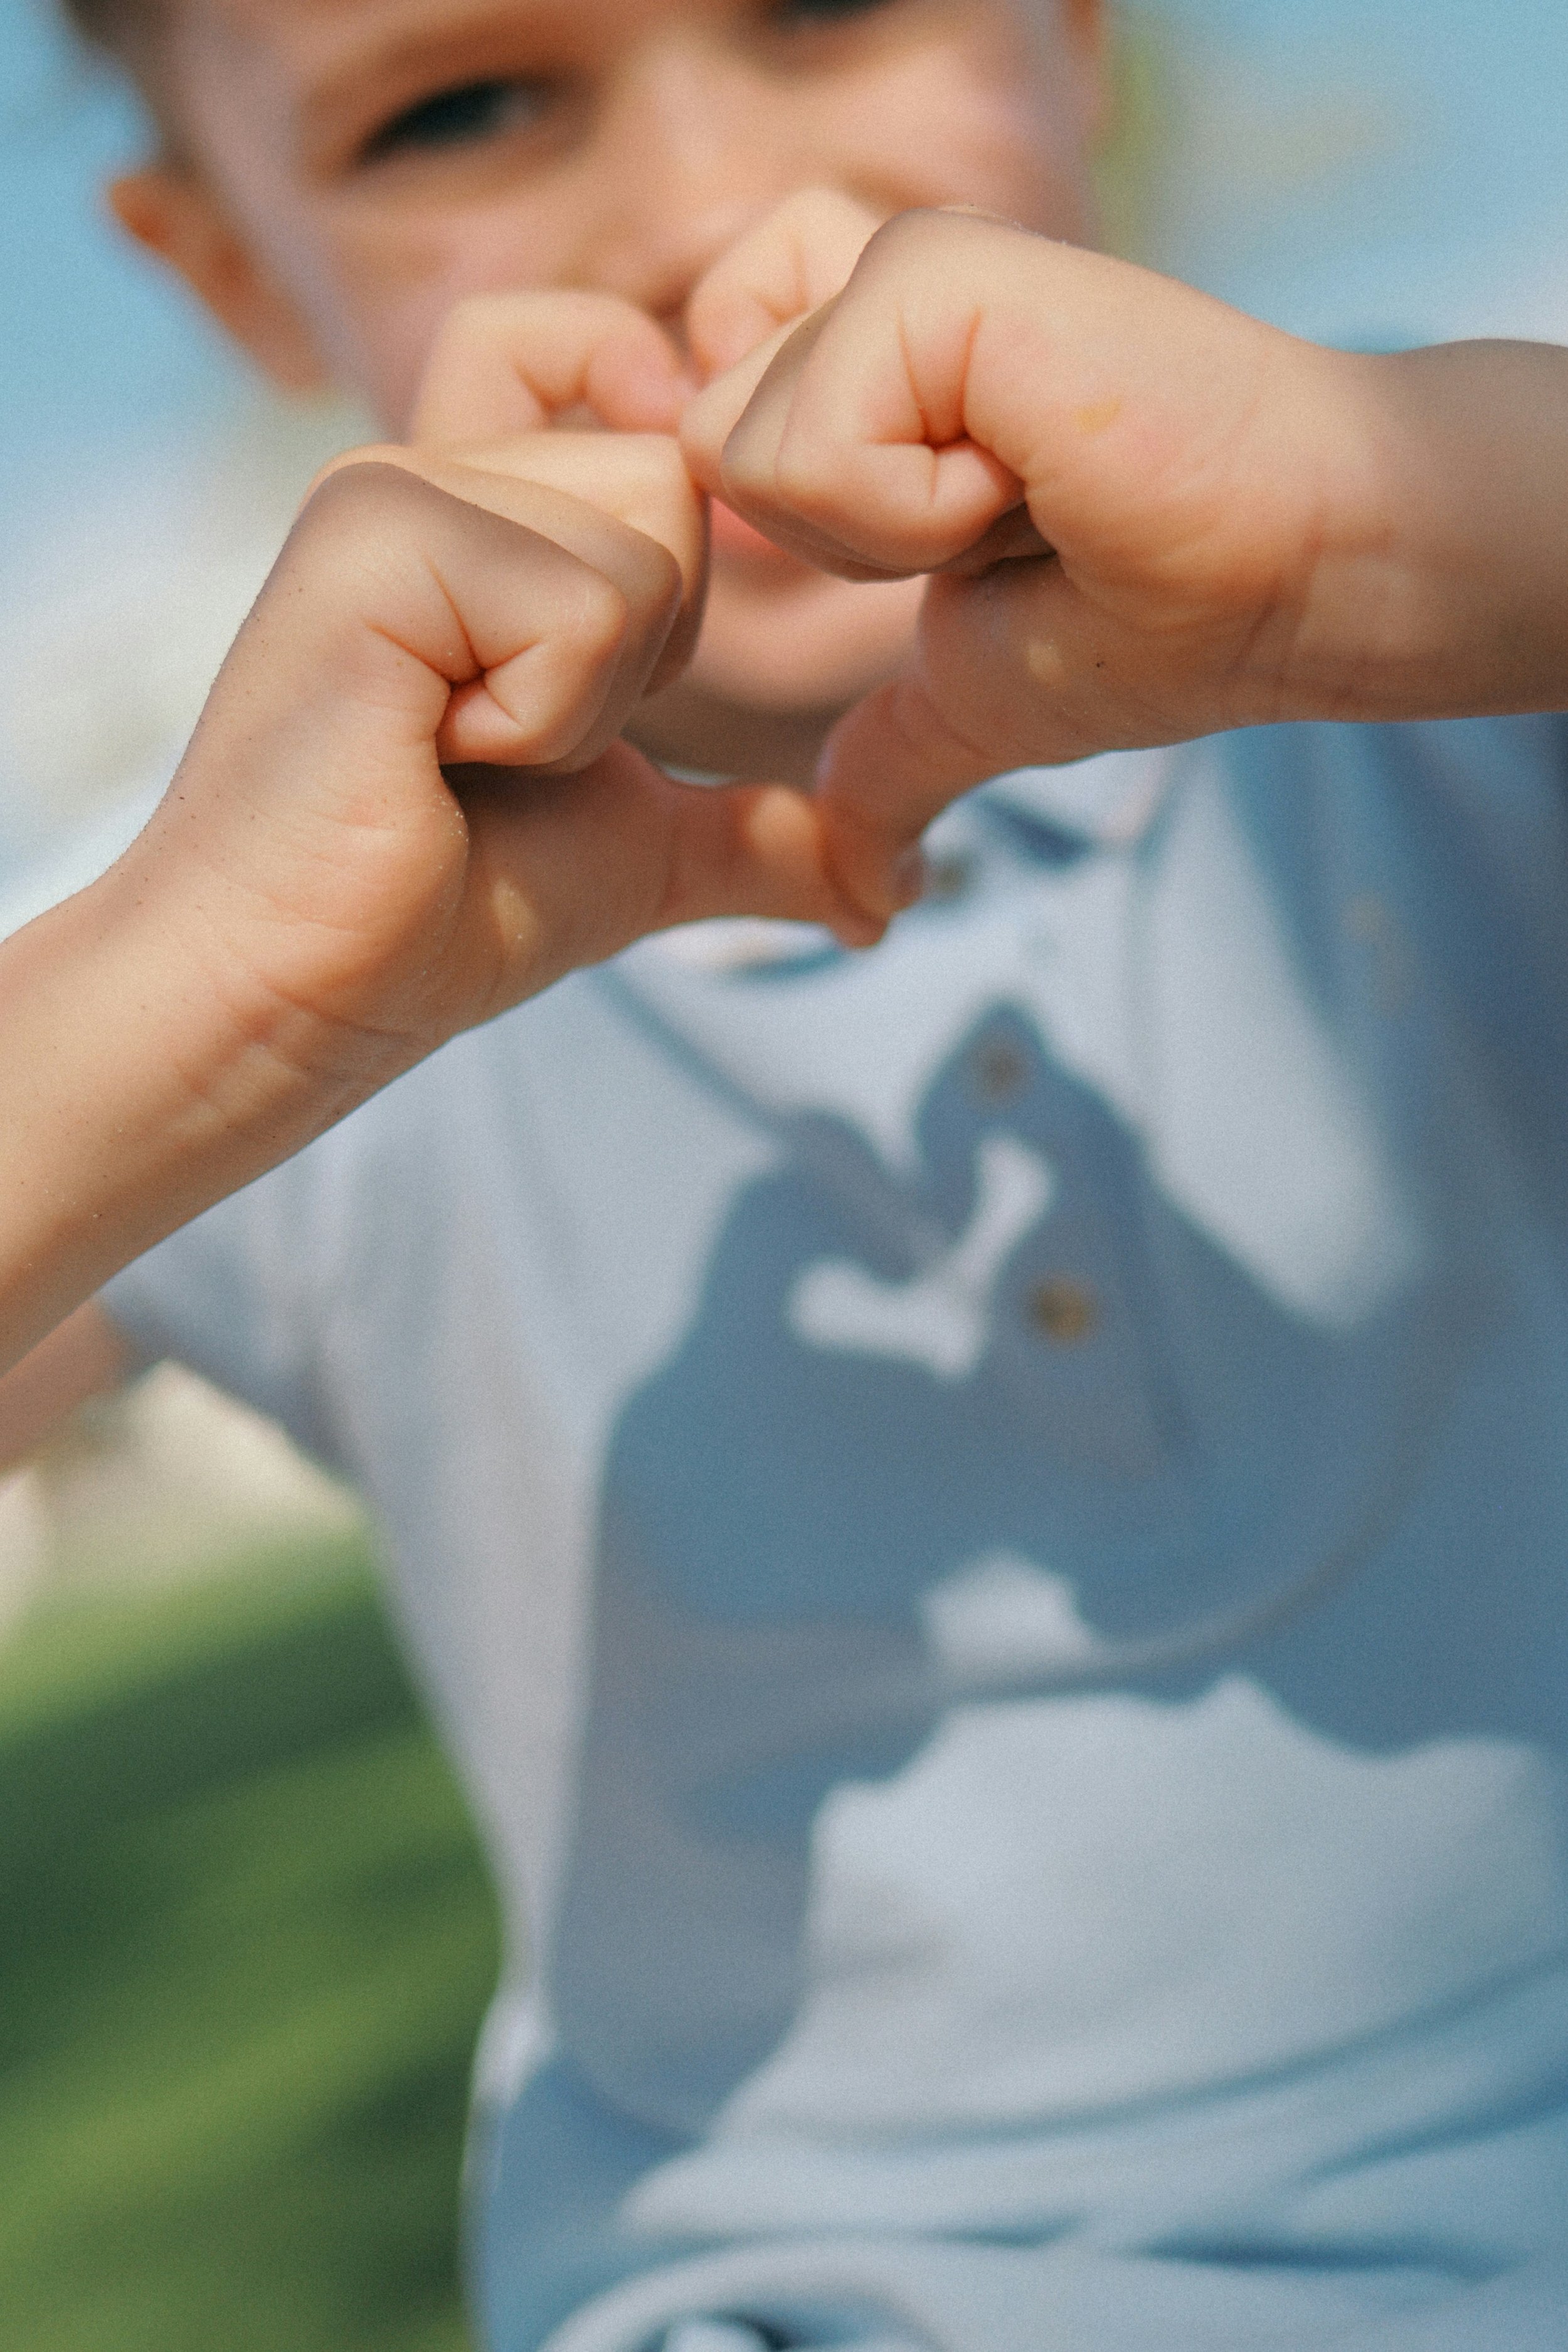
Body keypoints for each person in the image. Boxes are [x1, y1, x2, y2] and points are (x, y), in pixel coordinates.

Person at [5, 2, 1568, 2344]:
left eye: (826, 3)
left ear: (1075, 40)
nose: (704, 214)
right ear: (234, 274)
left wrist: (1406, 526)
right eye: (457, 107)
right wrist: (203, 1009)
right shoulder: (247, 884)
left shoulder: (1460, 590)